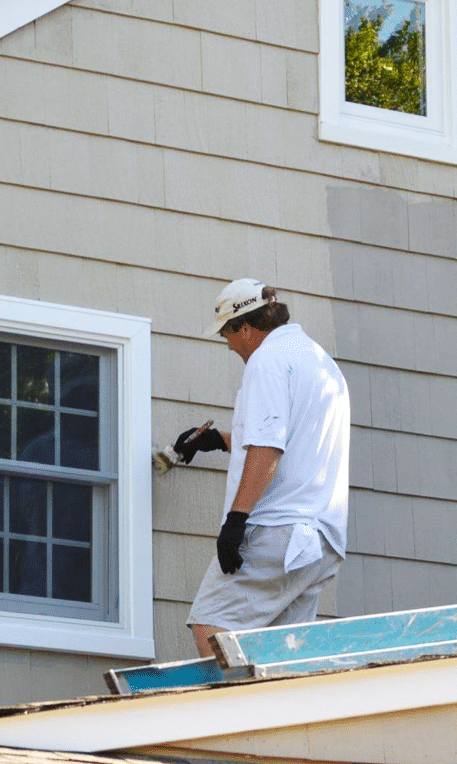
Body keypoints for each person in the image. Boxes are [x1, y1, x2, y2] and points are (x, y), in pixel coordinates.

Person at [173, 278, 350, 657]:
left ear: (246, 328)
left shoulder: (266, 361)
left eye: (227, 335)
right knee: (278, 657)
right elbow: (290, 441)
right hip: (318, 541)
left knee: (213, 627)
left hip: (278, 531)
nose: (229, 344)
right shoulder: (318, 361)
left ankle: (228, 715)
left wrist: (236, 520)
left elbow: (269, 448)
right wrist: (217, 440)